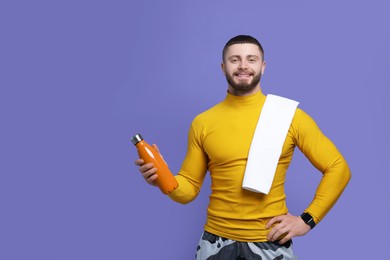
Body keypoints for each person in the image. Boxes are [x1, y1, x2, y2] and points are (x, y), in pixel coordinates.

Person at [134, 35, 351, 260]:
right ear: (223, 67)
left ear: (263, 66)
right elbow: (188, 189)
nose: (243, 66)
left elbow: (338, 167)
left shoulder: (290, 117)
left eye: (251, 59)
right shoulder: (203, 122)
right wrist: (164, 179)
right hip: (215, 241)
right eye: (235, 60)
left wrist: (307, 220)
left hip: (270, 242)